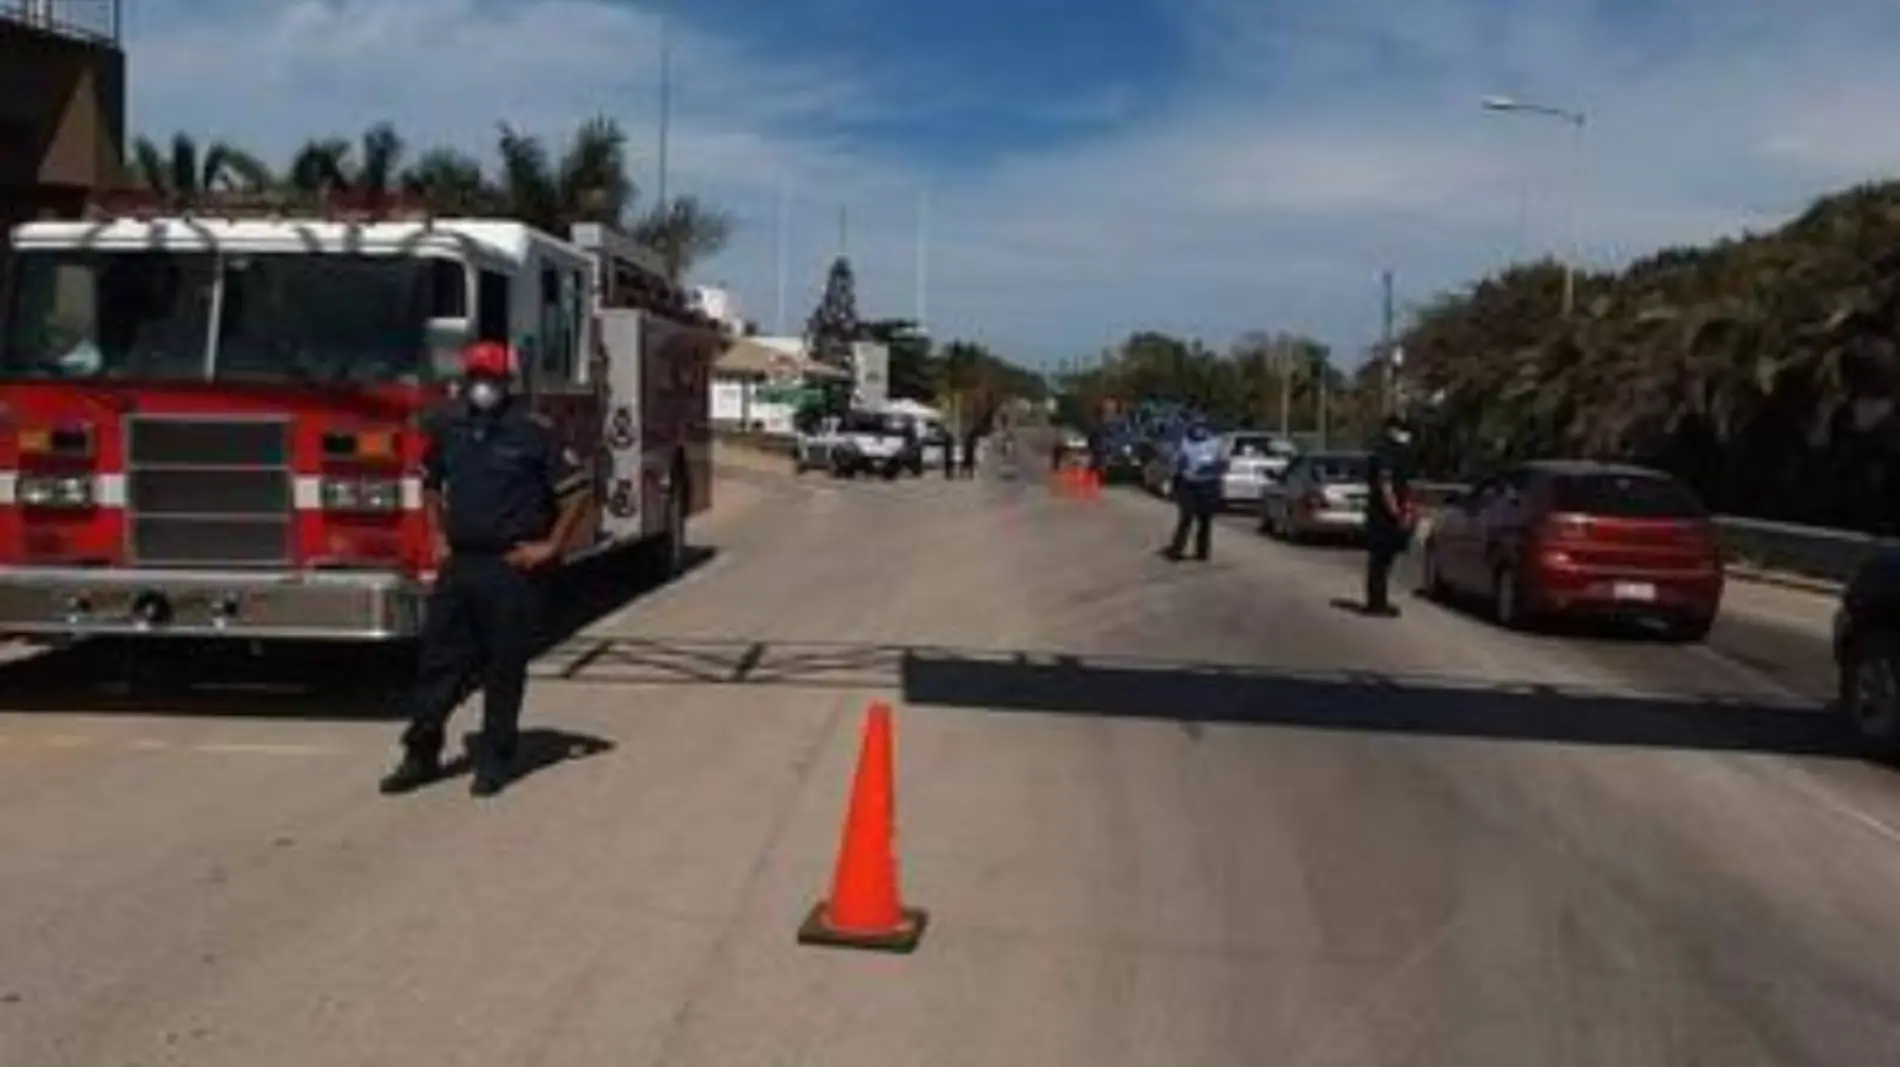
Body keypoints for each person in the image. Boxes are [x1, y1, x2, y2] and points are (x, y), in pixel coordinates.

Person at [380, 341, 590, 798]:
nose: (482, 387)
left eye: (491, 379)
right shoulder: (451, 426)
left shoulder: (534, 432)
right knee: (439, 662)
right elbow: (430, 483)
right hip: (462, 563)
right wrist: (435, 534)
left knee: (503, 667)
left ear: (506, 383)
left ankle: (495, 759)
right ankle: (420, 753)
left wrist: (550, 546)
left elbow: (577, 491)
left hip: (512, 568)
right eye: (476, 377)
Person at [1362, 414, 1418, 616]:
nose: (1406, 435)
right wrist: (1395, 511)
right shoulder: (1385, 453)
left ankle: (1379, 600)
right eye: (1401, 430)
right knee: (1380, 559)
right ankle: (1376, 603)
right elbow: (1386, 485)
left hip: (1387, 512)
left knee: (1385, 560)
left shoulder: (1395, 453)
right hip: (1383, 515)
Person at [1162, 421, 1224, 561]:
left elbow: (1222, 462)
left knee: (1205, 521)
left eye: (1203, 429)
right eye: (1197, 429)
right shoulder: (1185, 443)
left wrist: (1216, 470)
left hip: (1209, 484)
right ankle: (1177, 550)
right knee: (1186, 517)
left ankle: (1202, 552)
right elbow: (1177, 462)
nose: (1200, 432)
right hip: (1189, 485)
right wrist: (1180, 470)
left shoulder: (1216, 443)